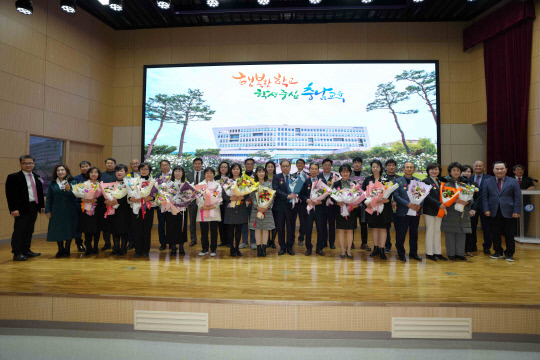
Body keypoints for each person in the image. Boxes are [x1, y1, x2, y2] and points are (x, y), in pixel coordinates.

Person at [5, 155, 45, 261]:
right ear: (20, 164)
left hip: (33, 206)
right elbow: (10, 195)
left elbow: (40, 193)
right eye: (25, 163)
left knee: (29, 230)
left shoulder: (37, 176)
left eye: (30, 163)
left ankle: (26, 250)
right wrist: (13, 209)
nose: (28, 165)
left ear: (34, 164)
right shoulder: (13, 177)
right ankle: (17, 252)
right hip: (21, 208)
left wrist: (41, 206)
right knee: (19, 230)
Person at [482, 161, 522, 262]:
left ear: (506, 170)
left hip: (509, 211)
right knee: (495, 233)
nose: (499, 171)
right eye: (497, 169)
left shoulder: (513, 181)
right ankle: (498, 251)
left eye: (501, 168)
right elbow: (484, 197)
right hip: (493, 211)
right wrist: (486, 209)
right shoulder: (487, 181)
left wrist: (516, 211)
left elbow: (517, 198)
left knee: (509, 233)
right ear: (493, 170)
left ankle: (509, 253)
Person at [441, 162, 474, 261]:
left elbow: (472, 198)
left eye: (458, 170)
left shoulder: (464, 183)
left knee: (461, 233)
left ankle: (460, 253)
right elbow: (444, 199)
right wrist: (455, 200)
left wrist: (467, 201)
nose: (456, 172)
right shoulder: (446, 183)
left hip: (463, 212)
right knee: (450, 233)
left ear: (461, 172)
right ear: (450, 172)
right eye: (454, 170)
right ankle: (451, 254)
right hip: (451, 212)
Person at [45, 164, 79, 258]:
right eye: (58, 170)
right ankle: (60, 249)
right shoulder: (52, 183)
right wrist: (48, 210)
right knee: (58, 230)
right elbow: (49, 198)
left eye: (62, 170)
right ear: (56, 173)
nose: (60, 172)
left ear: (66, 171)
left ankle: (67, 249)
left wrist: (69, 191)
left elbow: (76, 197)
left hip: (70, 210)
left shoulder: (73, 182)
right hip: (56, 210)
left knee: (69, 229)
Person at [393, 161, 423, 262]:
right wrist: (407, 204)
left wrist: (419, 205)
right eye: (407, 167)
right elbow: (396, 196)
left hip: (415, 211)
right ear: (403, 169)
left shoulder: (418, 181)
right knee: (401, 234)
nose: (409, 169)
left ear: (414, 169)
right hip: (402, 211)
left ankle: (413, 253)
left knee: (414, 234)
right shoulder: (398, 181)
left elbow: (423, 196)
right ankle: (401, 254)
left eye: (411, 167)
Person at [362, 160, 392, 260]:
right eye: (373, 167)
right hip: (372, 208)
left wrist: (386, 200)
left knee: (383, 228)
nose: (375, 169)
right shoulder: (367, 180)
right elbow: (363, 194)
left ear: (380, 168)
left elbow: (390, 192)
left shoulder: (386, 179)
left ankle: (382, 250)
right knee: (374, 228)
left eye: (377, 167)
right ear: (371, 168)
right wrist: (367, 203)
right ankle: (376, 249)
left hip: (384, 208)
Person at [129, 163, 157, 259]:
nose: (144, 171)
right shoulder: (133, 181)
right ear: (139, 170)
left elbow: (157, 195)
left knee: (147, 230)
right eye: (142, 169)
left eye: (146, 169)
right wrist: (131, 198)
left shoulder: (153, 181)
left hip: (148, 208)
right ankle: (138, 251)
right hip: (136, 208)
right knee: (137, 230)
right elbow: (129, 194)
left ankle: (145, 251)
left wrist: (151, 197)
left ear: (149, 170)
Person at [300, 163, 327, 256]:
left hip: (319, 209)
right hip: (308, 209)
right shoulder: (305, 181)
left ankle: (319, 248)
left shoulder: (322, 181)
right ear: (309, 170)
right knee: (308, 229)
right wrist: (306, 200)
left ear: (318, 170)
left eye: (316, 169)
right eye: (312, 169)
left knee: (320, 229)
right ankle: (308, 248)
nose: (314, 170)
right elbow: (301, 194)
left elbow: (327, 194)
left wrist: (321, 201)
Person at [223, 163, 249, 257]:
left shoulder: (243, 180)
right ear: (231, 170)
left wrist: (242, 197)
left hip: (241, 207)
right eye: (234, 169)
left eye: (237, 169)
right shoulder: (227, 181)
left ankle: (237, 248)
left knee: (239, 230)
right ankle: (231, 248)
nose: (235, 171)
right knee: (230, 230)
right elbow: (223, 194)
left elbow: (247, 192)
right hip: (230, 207)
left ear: (240, 170)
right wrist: (231, 198)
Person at [422, 163, 447, 261]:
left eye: (436, 169)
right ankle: (429, 253)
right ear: (428, 171)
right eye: (432, 169)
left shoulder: (439, 181)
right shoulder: (425, 181)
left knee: (437, 231)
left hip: (439, 210)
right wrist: (439, 204)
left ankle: (438, 252)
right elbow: (427, 197)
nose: (434, 171)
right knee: (430, 231)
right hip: (430, 210)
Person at [332, 165, 358, 259]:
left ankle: (349, 250)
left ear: (350, 173)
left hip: (351, 210)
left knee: (350, 230)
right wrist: (337, 202)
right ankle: (343, 250)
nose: (345, 173)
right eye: (343, 171)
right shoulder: (336, 184)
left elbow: (358, 195)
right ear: (340, 173)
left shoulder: (353, 183)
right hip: (340, 210)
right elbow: (332, 196)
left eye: (347, 171)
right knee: (341, 230)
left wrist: (356, 204)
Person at [104, 164, 130, 256]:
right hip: (113, 210)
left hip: (124, 210)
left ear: (125, 173)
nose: (119, 173)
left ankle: (123, 248)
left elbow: (130, 196)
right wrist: (107, 201)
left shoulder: (129, 183)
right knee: (114, 230)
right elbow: (106, 194)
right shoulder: (111, 183)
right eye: (117, 171)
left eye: (121, 171)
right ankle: (116, 247)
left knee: (123, 230)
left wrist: (117, 201)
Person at [272, 159, 297, 256]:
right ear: (281, 167)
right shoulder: (276, 177)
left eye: (287, 166)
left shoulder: (295, 177)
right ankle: (282, 247)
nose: (286, 167)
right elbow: (276, 189)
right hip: (279, 207)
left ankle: (290, 247)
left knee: (291, 227)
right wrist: (287, 196)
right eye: (284, 166)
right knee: (280, 227)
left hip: (291, 207)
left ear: (290, 167)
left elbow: (298, 189)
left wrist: (295, 196)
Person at [249, 166, 275, 257]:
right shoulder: (254, 184)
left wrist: (267, 206)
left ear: (265, 173)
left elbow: (272, 198)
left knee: (265, 229)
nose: (261, 173)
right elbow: (252, 197)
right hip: (256, 210)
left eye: (263, 172)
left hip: (267, 210)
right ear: (256, 173)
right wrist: (258, 207)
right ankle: (258, 249)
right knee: (257, 229)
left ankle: (264, 249)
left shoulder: (269, 184)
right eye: (259, 172)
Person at [79, 167, 105, 256]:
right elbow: (79, 195)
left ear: (98, 174)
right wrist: (83, 199)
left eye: (95, 172)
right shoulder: (84, 184)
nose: (93, 174)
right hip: (86, 209)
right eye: (91, 172)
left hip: (97, 210)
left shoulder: (101, 185)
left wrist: (96, 200)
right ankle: (88, 248)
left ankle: (95, 247)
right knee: (87, 230)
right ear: (88, 174)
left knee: (96, 230)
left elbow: (104, 197)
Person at [196, 167, 222, 257]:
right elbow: (198, 198)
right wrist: (202, 205)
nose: (209, 175)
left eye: (211, 173)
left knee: (214, 231)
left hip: (214, 210)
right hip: (203, 210)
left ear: (214, 174)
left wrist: (213, 206)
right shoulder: (200, 185)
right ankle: (204, 249)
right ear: (204, 174)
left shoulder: (217, 185)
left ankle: (213, 249)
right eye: (207, 173)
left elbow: (219, 197)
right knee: (204, 231)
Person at [469, 160, 493, 255]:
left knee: (486, 228)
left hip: (485, 207)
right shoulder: (469, 179)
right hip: (473, 208)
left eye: (480, 166)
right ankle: (472, 246)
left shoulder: (490, 178)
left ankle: (487, 247)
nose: (478, 168)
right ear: (473, 167)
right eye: (476, 166)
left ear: (484, 167)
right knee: (472, 227)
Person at [166, 166, 189, 257]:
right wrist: (171, 200)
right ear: (173, 173)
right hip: (171, 209)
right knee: (171, 228)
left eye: (180, 171)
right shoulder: (168, 184)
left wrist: (183, 201)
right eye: (176, 171)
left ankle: (181, 247)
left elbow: (189, 197)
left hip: (182, 210)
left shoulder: (186, 184)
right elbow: (164, 196)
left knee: (182, 228)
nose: (177, 173)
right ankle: (173, 248)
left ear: (183, 173)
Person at [351, 157, 371, 252]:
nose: (357, 164)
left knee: (363, 224)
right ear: (353, 164)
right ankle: (351, 243)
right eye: (355, 162)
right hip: (352, 204)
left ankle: (364, 243)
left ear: (361, 164)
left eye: (359, 162)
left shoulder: (367, 176)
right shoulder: (349, 175)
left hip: (363, 205)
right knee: (352, 224)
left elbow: (369, 190)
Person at [318, 158, 338, 249]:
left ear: (331, 166)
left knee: (331, 224)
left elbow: (338, 189)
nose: (327, 167)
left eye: (329, 165)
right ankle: (323, 241)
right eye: (325, 165)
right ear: (322, 166)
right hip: (321, 204)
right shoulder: (318, 176)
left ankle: (332, 242)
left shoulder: (335, 177)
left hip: (332, 204)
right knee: (322, 224)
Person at [72, 160, 91, 253]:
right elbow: (74, 193)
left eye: (86, 166)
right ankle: (79, 244)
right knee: (78, 226)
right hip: (79, 206)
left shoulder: (94, 178)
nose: (84, 168)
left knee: (88, 226)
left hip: (91, 206)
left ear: (90, 167)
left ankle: (89, 244)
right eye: (82, 166)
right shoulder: (76, 179)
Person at [462, 165, 480, 256]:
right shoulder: (458, 184)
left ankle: (469, 249)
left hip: (472, 212)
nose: (466, 173)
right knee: (461, 231)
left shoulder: (474, 185)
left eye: (469, 172)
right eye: (464, 171)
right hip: (460, 211)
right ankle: (461, 249)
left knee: (471, 230)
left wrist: (473, 209)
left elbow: (477, 198)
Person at [100, 157, 117, 250]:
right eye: (108, 163)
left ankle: (116, 243)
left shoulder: (118, 174)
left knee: (115, 225)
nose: (109, 165)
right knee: (105, 225)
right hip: (104, 203)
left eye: (111, 163)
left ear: (115, 165)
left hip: (115, 203)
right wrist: (105, 200)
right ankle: (107, 243)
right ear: (105, 164)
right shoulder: (101, 175)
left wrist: (114, 200)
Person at [188, 157, 204, 247]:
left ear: (201, 165)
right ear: (193, 165)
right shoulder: (189, 174)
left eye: (199, 163)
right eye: (196, 163)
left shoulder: (205, 174)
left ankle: (203, 239)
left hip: (202, 201)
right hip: (192, 201)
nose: (197, 165)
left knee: (202, 221)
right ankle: (193, 239)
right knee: (192, 221)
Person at [240, 158, 256, 249]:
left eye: (251, 164)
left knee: (253, 222)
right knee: (244, 222)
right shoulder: (241, 176)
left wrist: (252, 196)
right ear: (245, 165)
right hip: (243, 202)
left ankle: (253, 241)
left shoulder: (256, 176)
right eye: (247, 164)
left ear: (253, 165)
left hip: (254, 203)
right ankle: (244, 241)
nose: (249, 165)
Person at [156, 159, 171, 251]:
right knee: (161, 224)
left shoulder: (173, 176)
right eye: (162, 165)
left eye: (166, 165)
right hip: (160, 204)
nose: (165, 167)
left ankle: (171, 242)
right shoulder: (156, 177)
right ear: (160, 167)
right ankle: (163, 243)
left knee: (170, 224)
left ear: (169, 166)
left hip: (171, 205)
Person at [292, 158, 308, 247]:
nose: (300, 165)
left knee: (303, 221)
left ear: (304, 165)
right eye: (298, 163)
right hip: (293, 201)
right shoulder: (292, 175)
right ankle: (292, 238)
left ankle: (301, 238)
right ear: (296, 165)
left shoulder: (307, 176)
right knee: (292, 221)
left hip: (303, 202)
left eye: (302, 163)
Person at [384, 158, 398, 253]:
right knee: (386, 227)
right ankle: (387, 245)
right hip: (385, 207)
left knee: (399, 227)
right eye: (389, 165)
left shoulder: (400, 179)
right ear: (386, 167)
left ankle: (399, 246)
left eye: (393, 165)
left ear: (396, 167)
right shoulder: (383, 179)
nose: (391, 167)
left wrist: (396, 201)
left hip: (398, 207)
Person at [215, 161, 230, 247]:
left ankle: (228, 241)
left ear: (228, 169)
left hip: (228, 202)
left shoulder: (230, 178)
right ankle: (223, 240)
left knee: (227, 222)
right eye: (222, 167)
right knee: (220, 222)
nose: (223, 169)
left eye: (225, 167)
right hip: (217, 203)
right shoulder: (216, 178)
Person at [265, 161, 278, 249]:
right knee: (267, 223)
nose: (270, 168)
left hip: (276, 203)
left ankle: (272, 241)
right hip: (265, 203)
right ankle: (266, 241)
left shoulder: (277, 177)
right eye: (268, 166)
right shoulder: (263, 177)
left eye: (272, 167)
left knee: (275, 223)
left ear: (274, 168)